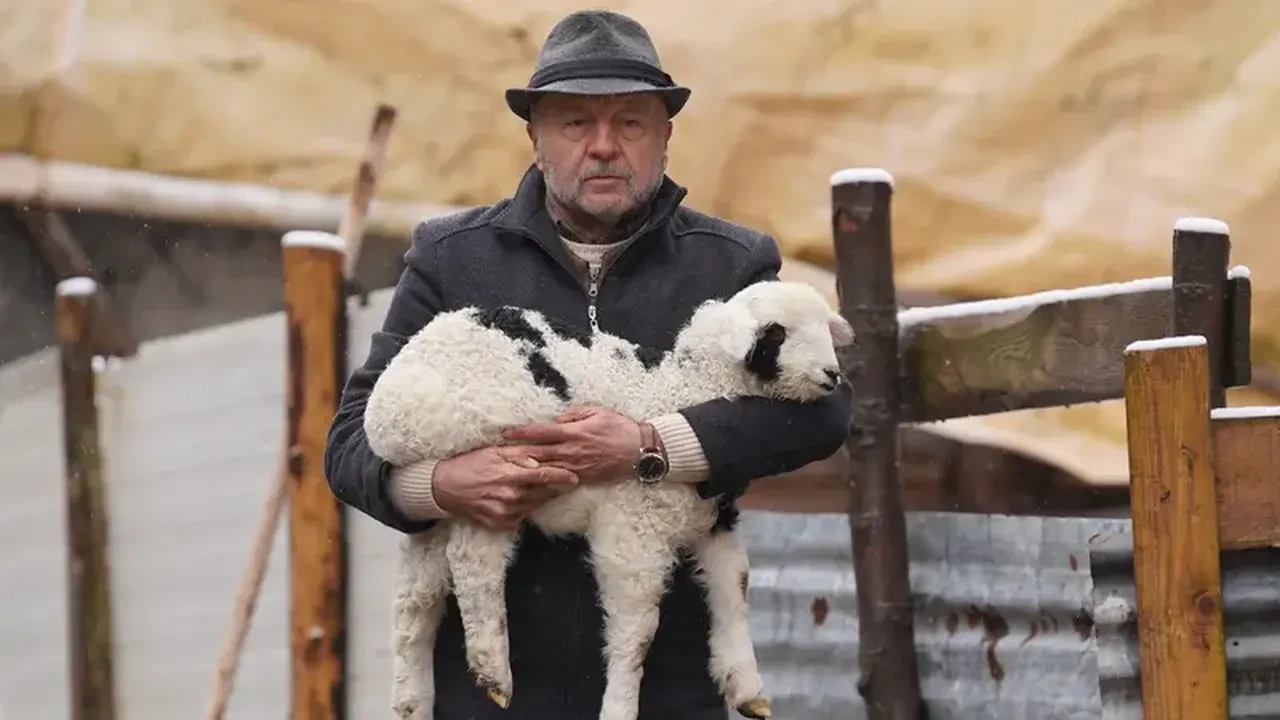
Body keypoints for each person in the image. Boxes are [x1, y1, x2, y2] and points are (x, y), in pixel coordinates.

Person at [324, 9, 853, 719]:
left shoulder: (729, 263)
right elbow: (350, 444)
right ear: (535, 139)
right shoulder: (453, 260)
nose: (603, 147)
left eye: (630, 123)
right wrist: (444, 486)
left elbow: (820, 414)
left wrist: (649, 446)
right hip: (488, 696)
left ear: (665, 136)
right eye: (576, 123)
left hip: (666, 689)